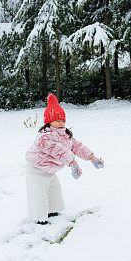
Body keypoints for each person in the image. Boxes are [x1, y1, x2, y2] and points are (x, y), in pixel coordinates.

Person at [25, 94, 104, 224]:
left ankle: (52, 209)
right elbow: (57, 150)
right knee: (40, 192)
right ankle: (39, 217)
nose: (61, 123)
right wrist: (73, 163)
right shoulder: (44, 136)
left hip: (49, 169)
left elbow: (77, 146)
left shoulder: (65, 135)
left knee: (54, 188)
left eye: (63, 120)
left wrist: (92, 158)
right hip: (37, 168)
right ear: (49, 122)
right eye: (57, 121)